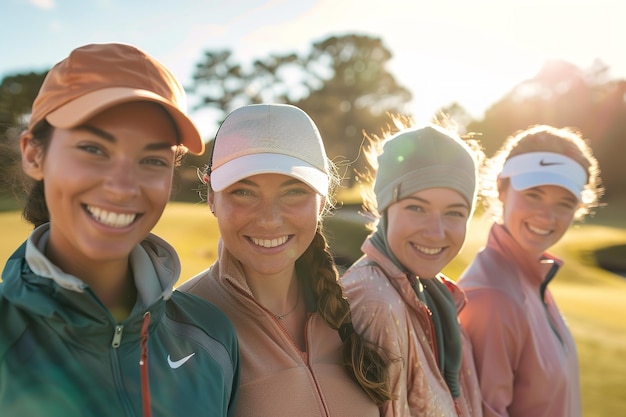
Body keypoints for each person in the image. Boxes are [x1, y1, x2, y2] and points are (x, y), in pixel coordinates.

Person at [0, 43, 239, 417]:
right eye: (93, 149)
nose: (123, 186)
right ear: (33, 153)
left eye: (152, 159)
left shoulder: (212, 335)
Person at [178, 103, 394, 416]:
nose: (269, 220)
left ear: (322, 201)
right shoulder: (180, 328)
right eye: (244, 192)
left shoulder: (355, 309)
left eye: (293, 191)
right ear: (212, 197)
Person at [340, 118, 484, 416]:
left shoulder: (432, 293)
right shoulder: (375, 301)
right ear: (385, 209)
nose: (435, 231)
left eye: (454, 212)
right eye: (416, 208)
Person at [457, 124, 603, 417]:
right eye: (534, 195)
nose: (547, 216)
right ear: (501, 188)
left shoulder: (531, 278)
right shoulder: (493, 298)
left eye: (564, 203)